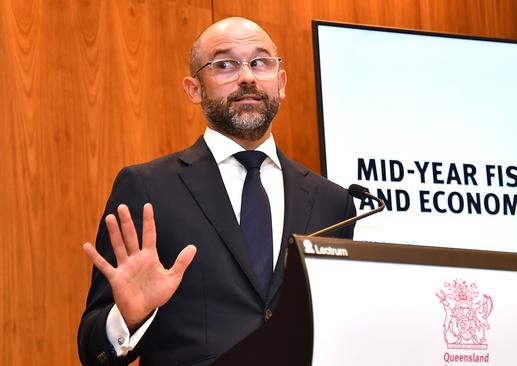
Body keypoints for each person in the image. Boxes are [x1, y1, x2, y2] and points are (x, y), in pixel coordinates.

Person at [78, 17, 356, 366]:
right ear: (194, 89)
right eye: (225, 64)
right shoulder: (148, 188)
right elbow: (93, 351)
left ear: (281, 82)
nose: (247, 77)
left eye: (260, 62)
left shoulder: (333, 202)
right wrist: (128, 318)